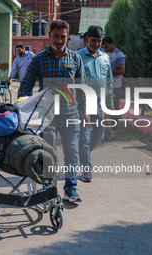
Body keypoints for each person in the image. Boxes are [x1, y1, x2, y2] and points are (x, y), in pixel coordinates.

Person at [18, 19, 89, 202]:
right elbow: (26, 84)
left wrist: (85, 111)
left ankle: (70, 189)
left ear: (68, 37)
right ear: (49, 35)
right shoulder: (39, 59)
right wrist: (23, 106)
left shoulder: (75, 59)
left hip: (70, 114)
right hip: (47, 116)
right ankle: (49, 188)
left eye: (63, 37)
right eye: (55, 36)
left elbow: (82, 87)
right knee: (48, 154)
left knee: (72, 152)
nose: (59, 40)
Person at [77, 25, 114, 182]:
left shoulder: (105, 58)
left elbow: (109, 82)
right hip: (82, 103)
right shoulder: (77, 56)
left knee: (100, 134)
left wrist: (110, 102)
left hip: (98, 103)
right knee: (85, 136)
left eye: (99, 41)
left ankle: (83, 152)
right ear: (87, 39)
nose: (96, 44)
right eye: (93, 40)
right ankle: (87, 167)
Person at [102, 36, 126, 132]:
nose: (105, 49)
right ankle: (107, 128)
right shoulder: (106, 54)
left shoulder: (119, 55)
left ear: (112, 43)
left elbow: (122, 71)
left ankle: (114, 129)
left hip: (115, 85)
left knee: (114, 107)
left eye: (107, 46)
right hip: (105, 85)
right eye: (104, 47)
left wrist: (107, 73)